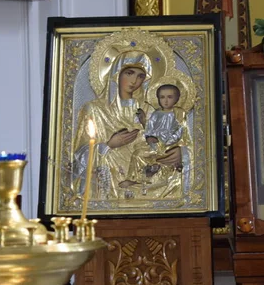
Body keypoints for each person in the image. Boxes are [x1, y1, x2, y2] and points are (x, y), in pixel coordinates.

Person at [72, 50, 187, 201]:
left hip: (147, 181)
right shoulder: (94, 110)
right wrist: (108, 145)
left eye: (141, 76)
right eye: (129, 73)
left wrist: (180, 154)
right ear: (116, 74)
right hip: (107, 184)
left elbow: (172, 141)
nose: (134, 81)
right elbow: (77, 158)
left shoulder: (151, 111)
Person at [125, 84, 188, 185]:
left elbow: (180, 131)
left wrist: (166, 143)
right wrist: (149, 137)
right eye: (162, 97)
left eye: (170, 97)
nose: (166, 101)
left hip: (168, 146)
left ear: (177, 99)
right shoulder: (156, 114)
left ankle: (150, 174)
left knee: (148, 157)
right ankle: (135, 178)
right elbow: (149, 128)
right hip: (154, 145)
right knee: (137, 153)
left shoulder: (179, 112)